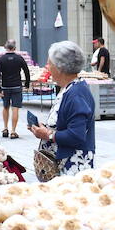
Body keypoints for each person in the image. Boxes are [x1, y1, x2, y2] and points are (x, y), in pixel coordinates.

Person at [29, 41, 96, 176]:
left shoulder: (76, 94)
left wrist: (47, 134)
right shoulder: (69, 89)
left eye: (50, 64)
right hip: (65, 163)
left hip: (72, 167)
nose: (48, 68)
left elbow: (76, 135)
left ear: (60, 67)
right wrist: (46, 129)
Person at [0, 40, 31, 138]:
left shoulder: (1, 59)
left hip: (5, 86)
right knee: (15, 109)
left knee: (5, 107)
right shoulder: (19, 58)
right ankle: (13, 131)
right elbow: (26, 71)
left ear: (5, 48)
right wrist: (27, 83)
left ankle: (5, 128)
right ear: (14, 48)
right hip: (16, 86)